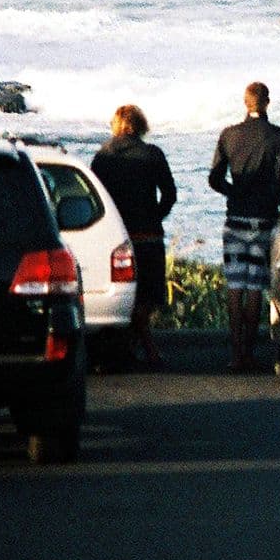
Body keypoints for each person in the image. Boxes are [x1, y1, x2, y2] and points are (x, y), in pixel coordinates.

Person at [208, 81, 280, 372]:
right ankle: (249, 352)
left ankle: (235, 353)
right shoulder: (279, 137)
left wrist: (234, 192)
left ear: (246, 103)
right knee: (256, 284)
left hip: (235, 218)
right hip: (263, 217)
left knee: (235, 286)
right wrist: (269, 200)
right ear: (267, 102)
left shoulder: (229, 135)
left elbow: (214, 179)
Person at [91, 104, 178, 369]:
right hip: (148, 235)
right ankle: (146, 349)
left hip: (117, 236)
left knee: (125, 293)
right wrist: (156, 215)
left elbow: (96, 197)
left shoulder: (103, 156)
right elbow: (170, 194)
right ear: (140, 125)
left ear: (116, 125)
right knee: (150, 294)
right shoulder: (152, 154)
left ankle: (129, 347)